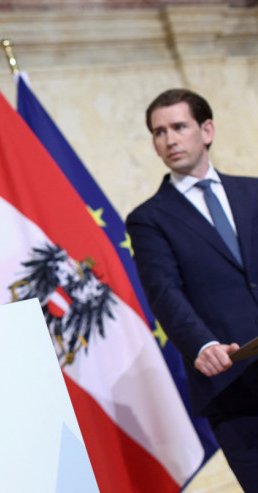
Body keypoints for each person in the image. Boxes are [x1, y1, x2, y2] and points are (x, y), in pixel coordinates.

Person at [126, 89, 258, 490]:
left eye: (179, 127)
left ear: (207, 130)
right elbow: (164, 291)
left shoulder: (253, 191)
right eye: (159, 132)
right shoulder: (148, 219)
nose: (169, 139)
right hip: (233, 385)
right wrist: (202, 346)